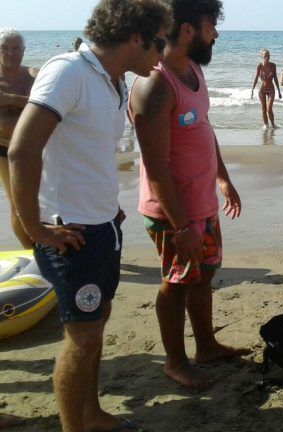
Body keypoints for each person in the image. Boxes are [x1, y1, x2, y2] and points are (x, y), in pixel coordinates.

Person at [8, 1, 171, 430]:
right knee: (82, 338)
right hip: (70, 232)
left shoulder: (114, 82)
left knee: (97, 321)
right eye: (159, 42)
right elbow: (22, 151)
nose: (162, 54)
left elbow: (86, 153)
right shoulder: (69, 72)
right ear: (135, 37)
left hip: (103, 227)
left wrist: (108, 209)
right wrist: (37, 228)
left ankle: (91, 413)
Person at [130, 0, 247, 391]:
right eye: (211, 24)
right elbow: (157, 166)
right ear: (186, 30)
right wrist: (182, 227)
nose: (215, 33)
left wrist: (223, 178)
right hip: (173, 214)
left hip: (203, 204)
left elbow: (203, 127)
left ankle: (207, 346)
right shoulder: (154, 85)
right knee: (177, 282)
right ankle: (175, 361)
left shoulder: (194, 70)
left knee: (204, 275)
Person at [0, 28, 37, 249]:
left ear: (23, 51)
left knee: (43, 201)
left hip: (36, 147)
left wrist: (8, 99)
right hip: (5, 149)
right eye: (4, 48)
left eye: (16, 48)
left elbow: (47, 105)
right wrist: (29, 102)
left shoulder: (33, 74)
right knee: (18, 202)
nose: (11, 54)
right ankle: (30, 250)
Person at [251, 48, 281, 129]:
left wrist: (279, 90)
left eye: (268, 56)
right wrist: (252, 90)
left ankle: (273, 125)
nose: (267, 57)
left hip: (271, 89)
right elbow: (256, 78)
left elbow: (275, 78)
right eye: (265, 56)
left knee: (269, 108)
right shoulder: (259, 65)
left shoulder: (273, 65)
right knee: (264, 109)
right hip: (262, 90)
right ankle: (266, 126)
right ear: (262, 57)